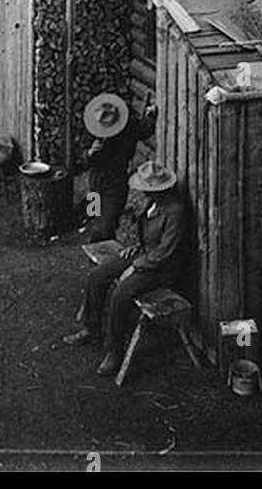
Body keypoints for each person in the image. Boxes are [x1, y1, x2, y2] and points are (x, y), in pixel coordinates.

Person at [64, 162, 189, 376]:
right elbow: (148, 236)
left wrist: (135, 267)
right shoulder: (153, 203)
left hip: (161, 270)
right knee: (97, 276)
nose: (142, 191)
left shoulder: (175, 211)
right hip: (144, 256)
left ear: (159, 188)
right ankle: (91, 328)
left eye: (146, 188)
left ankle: (114, 351)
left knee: (120, 293)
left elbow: (165, 253)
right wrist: (136, 249)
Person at [82, 92, 155, 243]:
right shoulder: (93, 127)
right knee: (93, 212)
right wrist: (89, 152)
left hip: (116, 181)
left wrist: (151, 115)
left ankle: (105, 253)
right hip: (95, 179)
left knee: (108, 222)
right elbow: (81, 158)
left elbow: (146, 129)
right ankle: (93, 236)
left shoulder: (129, 125)